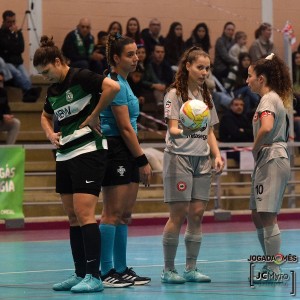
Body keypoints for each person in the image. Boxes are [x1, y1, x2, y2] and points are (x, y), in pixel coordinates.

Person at [33, 35, 120, 293]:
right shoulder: (53, 90)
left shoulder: (81, 76)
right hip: (65, 153)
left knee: (84, 214)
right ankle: (79, 273)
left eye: (47, 71)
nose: (46, 77)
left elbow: (112, 88)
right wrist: (50, 133)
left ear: (58, 61)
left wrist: (94, 115)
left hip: (88, 150)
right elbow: (44, 115)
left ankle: (94, 276)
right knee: (72, 217)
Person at [161, 47, 224, 284]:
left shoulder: (206, 96)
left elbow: (210, 130)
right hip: (179, 158)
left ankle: (191, 268)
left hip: (202, 160)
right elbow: (173, 129)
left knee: (196, 215)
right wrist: (189, 128)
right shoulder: (175, 94)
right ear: (187, 66)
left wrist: (216, 155)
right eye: (200, 67)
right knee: (177, 215)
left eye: (207, 68)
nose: (204, 72)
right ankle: (168, 270)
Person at [99, 33, 152, 288]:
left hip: (128, 150)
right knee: (111, 213)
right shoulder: (114, 84)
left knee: (125, 214)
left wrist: (137, 156)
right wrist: (142, 159)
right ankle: (106, 270)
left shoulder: (126, 82)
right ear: (116, 58)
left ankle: (121, 268)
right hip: (116, 149)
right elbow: (124, 127)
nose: (136, 58)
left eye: (137, 53)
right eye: (130, 54)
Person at [246, 53, 291, 282]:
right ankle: (269, 263)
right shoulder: (272, 99)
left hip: (271, 156)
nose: (247, 81)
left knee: (268, 217)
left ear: (261, 79)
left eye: (250, 76)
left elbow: (266, 127)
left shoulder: (268, 99)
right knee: (257, 214)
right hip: (268, 158)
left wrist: (254, 148)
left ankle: (274, 270)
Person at [0, 10, 41, 102]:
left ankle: (28, 95)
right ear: (4, 22)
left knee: (26, 76)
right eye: (9, 22)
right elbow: (6, 46)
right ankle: (29, 92)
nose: (12, 24)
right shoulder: (1, 34)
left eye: (13, 21)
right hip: (7, 63)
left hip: (18, 62)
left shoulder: (19, 33)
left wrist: (15, 37)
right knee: (17, 74)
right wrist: (14, 38)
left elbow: (21, 48)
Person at [219, 97, 253, 162]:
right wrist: (245, 132)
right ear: (231, 106)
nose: (239, 107)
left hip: (243, 146)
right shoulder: (227, 118)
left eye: (241, 105)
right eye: (236, 105)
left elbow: (252, 133)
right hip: (230, 147)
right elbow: (236, 134)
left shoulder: (244, 117)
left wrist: (243, 130)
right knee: (246, 155)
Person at [0, 72, 20, 144]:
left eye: (1, 81)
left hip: (1, 120)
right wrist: (2, 116)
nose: (0, 83)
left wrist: (9, 115)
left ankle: (9, 148)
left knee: (15, 123)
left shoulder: (3, 92)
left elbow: (6, 107)